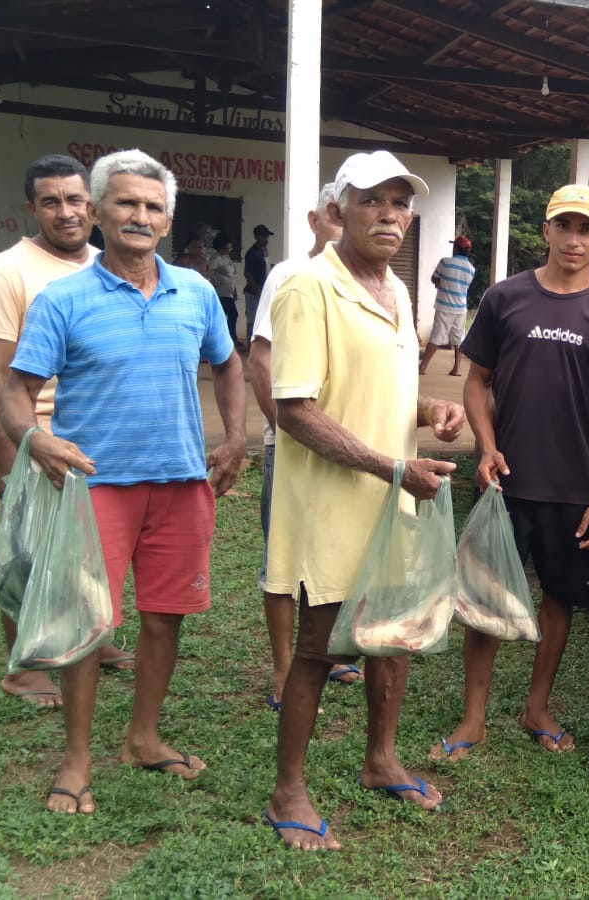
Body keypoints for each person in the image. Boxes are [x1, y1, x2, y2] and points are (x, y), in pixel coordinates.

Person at [0, 149, 247, 814]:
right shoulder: (63, 299)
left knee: (165, 619)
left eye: (153, 206)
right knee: (88, 625)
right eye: (126, 203)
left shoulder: (195, 292)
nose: (140, 216)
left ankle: (143, 737)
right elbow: (15, 391)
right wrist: (36, 438)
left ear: (169, 221)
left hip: (180, 483)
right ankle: (76, 761)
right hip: (96, 487)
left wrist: (235, 435)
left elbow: (228, 365)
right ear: (99, 211)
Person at [263, 150, 465, 850]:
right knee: (317, 652)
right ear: (337, 210)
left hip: (390, 501)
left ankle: (381, 760)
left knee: (394, 637)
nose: (390, 214)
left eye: (401, 203)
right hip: (330, 509)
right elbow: (296, 409)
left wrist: (430, 410)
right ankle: (288, 786)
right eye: (373, 200)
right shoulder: (306, 287)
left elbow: (383, 395)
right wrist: (391, 467)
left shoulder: (398, 294)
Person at [432, 185, 589, 762]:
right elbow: (477, 382)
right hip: (507, 481)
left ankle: (536, 707)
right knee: (486, 599)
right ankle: (473, 718)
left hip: (574, 490)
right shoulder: (504, 298)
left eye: (586, 229)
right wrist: (487, 447)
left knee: (560, 599)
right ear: (546, 231)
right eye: (564, 226)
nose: (574, 239)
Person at [0, 152, 139, 708]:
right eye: (51, 202)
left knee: (87, 551)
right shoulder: (9, 270)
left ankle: (94, 640)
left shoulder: (106, 263)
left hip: (94, 438)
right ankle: (24, 667)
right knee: (29, 553)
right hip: (35, 437)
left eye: (74, 200)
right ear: (32, 208)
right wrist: (9, 460)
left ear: (92, 206)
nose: (65, 212)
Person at [244, 183, 355, 710]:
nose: (342, 226)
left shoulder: (371, 285)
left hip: (346, 450)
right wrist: (286, 433)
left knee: (337, 552)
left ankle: (331, 652)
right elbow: (259, 361)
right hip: (291, 445)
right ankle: (283, 669)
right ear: (317, 220)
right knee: (283, 560)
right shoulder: (290, 276)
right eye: (335, 216)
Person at [419, 236, 474, 376]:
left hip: (445, 306)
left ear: (456, 248)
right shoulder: (471, 269)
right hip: (461, 308)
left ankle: (423, 367)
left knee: (437, 336)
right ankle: (457, 369)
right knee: (458, 339)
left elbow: (434, 278)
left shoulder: (445, 262)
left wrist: (440, 283)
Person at [243, 223, 273, 339]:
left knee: (263, 318)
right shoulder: (251, 253)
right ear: (257, 236)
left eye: (267, 236)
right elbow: (248, 274)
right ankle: (250, 345)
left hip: (263, 290)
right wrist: (257, 290)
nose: (266, 239)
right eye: (264, 236)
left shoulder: (264, 252)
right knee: (252, 319)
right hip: (253, 292)